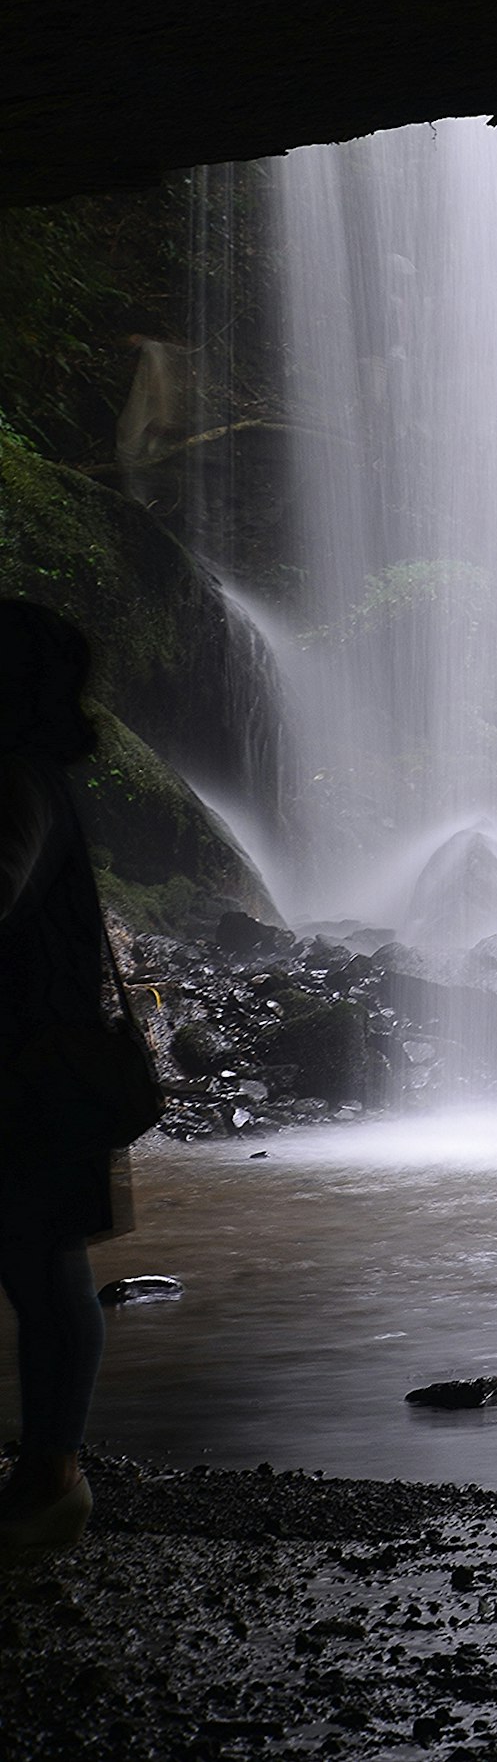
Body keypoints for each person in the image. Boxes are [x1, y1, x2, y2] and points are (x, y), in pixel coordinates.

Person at [0, 603, 124, 1566]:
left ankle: (52, 1481)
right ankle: (51, 1477)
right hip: (43, 1063)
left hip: (26, 1073)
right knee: (47, 1269)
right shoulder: (34, 777)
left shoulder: (16, 784)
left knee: (44, 1270)